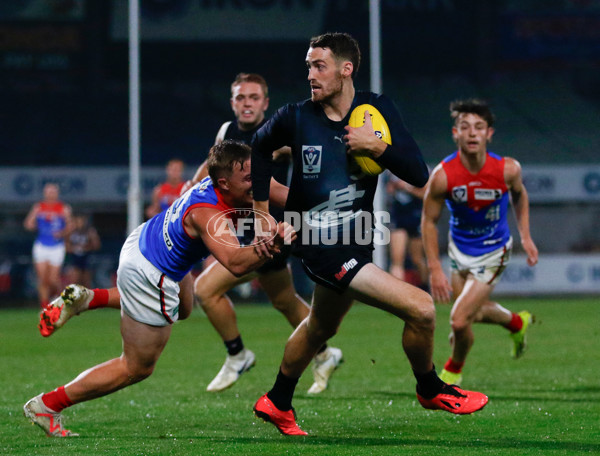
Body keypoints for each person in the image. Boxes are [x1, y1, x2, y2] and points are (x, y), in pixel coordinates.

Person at [249, 32, 489, 436]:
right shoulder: (295, 116)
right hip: (319, 245)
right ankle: (430, 387)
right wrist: (260, 217)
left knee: (319, 328)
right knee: (422, 309)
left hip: (356, 241)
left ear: (346, 70)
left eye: (318, 65)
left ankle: (277, 400)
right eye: (308, 65)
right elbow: (257, 147)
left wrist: (376, 146)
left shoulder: (376, 110)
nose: (310, 73)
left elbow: (417, 172)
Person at [24, 141, 294, 437]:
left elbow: (287, 195)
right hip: (153, 273)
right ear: (223, 183)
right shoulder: (205, 212)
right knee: (136, 367)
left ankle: (88, 299)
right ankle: (47, 406)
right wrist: (275, 242)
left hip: (146, 242)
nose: (254, 183)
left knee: (186, 308)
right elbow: (237, 264)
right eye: (247, 180)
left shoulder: (230, 177)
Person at [186, 72, 343, 394]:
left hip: (274, 229)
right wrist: (190, 188)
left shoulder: (278, 134)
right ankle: (325, 353)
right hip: (245, 227)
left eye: (253, 98)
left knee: (205, 289)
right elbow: (211, 164)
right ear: (232, 102)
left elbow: (313, 160)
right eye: (241, 97)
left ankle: (237, 355)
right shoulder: (227, 132)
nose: (247, 104)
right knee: (284, 299)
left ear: (265, 103)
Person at [421, 98, 539, 387]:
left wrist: (525, 235)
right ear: (455, 133)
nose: (472, 133)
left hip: (494, 250)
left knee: (459, 321)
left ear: (489, 134)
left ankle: (452, 371)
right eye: (465, 127)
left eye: (479, 127)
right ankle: (516, 323)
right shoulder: (443, 176)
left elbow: (520, 195)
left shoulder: (507, 169)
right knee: (467, 317)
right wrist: (435, 268)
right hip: (459, 249)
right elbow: (428, 221)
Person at [23, 183, 72, 308]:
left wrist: (61, 233)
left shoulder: (63, 208)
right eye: (48, 192)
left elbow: (70, 226)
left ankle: (56, 296)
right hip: (41, 245)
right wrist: (34, 225)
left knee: (53, 280)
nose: (50, 194)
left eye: (53, 192)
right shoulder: (39, 207)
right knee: (43, 279)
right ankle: (45, 306)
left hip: (56, 246)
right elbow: (28, 223)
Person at [386, 173, 428, 288]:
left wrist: (406, 187)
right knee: (397, 261)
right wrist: (392, 188)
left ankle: (425, 288)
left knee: (417, 259)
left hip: (416, 217)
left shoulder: (421, 169)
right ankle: (396, 293)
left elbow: (427, 194)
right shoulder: (391, 172)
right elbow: (389, 191)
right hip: (398, 218)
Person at [65, 213, 101, 288]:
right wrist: (74, 248)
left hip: (86, 258)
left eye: (81, 221)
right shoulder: (71, 232)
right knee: (74, 281)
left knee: (86, 281)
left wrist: (85, 248)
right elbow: (66, 245)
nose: (79, 223)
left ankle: (87, 298)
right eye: (77, 221)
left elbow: (96, 245)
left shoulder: (90, 231)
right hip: (74, 258)